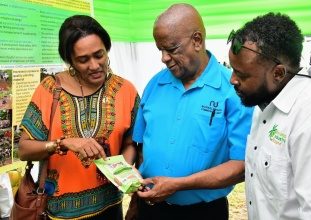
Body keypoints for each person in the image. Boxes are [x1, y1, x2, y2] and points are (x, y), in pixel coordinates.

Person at [125, 3, 253, 220]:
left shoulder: (232, 90)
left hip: (203, 212)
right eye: (160, 50)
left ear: (197, 40)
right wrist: (135, 200)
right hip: (151, 207)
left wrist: (178, 185)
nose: (164, 58)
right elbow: (141, 147)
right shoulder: (155, 85)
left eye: (171, 49)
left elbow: (241, 166)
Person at [18, 15, 140, 220]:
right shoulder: (49, 90)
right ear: (70, 60)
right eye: (83, 60)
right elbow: (23, 150)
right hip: (59, 212)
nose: (94, 65)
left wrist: (121, 172)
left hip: (110, 206)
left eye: (99, 55)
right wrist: (63, 143)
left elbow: (131, 143)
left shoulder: (124, 90)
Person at [227, 12, 311, 220]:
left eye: (242, 75)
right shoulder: (263, 101)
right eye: (233, 71)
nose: (232, 80)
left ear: (278, 73)